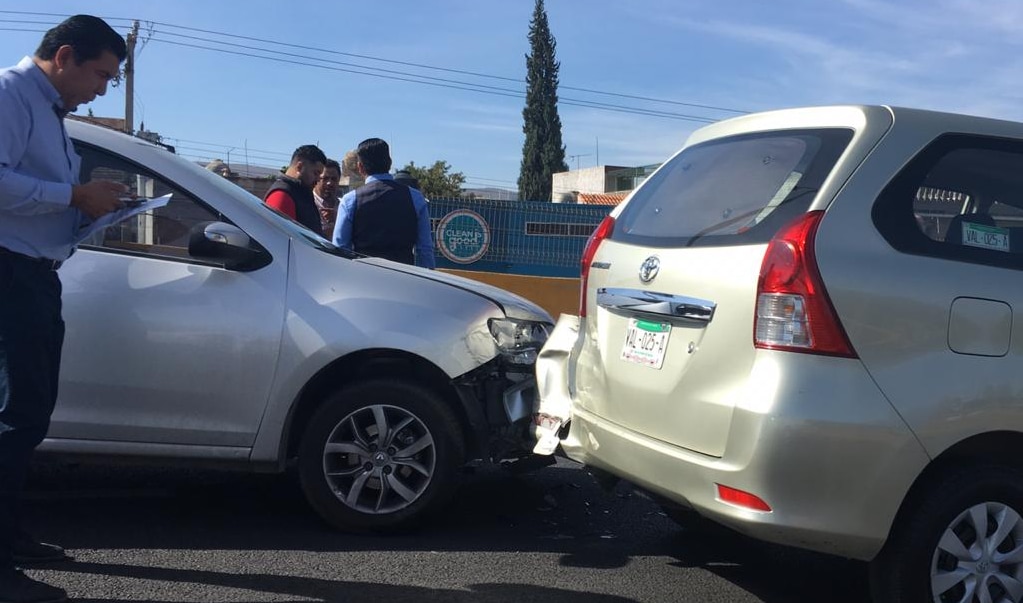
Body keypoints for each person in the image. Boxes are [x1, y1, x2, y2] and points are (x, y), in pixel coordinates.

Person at [0, 15, 128, 603]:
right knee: (15, 413)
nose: (103, 89)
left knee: (28, 410)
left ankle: (10, 534)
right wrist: (74, 195)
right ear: (66, 55)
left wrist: (86, 210)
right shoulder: (8, 94)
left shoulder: (51, 115)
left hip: (35, 273)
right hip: (9, 272)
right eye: (101, 75)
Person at [332, 138, 436, 269]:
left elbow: (341, 248)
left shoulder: (350, 200)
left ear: (360, 167)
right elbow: (424, 248)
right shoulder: (415, 198)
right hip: (404, 278)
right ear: (390, 163)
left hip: (364, 279)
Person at [263, 145, 326, 233]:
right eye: (316, 173)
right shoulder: (281, 196)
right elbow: (279, 237)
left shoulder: (301, 193)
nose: (318, 179)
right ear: (299, 167)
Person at [312, 159, 341, 238]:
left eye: (334, 179)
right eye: (325, 178)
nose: (329, 183)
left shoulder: (343, 207)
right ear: (317, 178)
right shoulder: (307, 203)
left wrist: (338, 219)